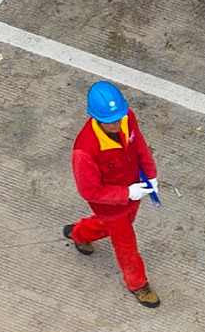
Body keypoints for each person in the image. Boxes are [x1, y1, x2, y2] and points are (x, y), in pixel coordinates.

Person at [65, 81, 162, 308]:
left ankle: (80, 233)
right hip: (111, 206)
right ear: (97, 118)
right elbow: (89, 190)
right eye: (111, 122)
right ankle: (138, 284)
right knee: (126, 244)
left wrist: (150, 174)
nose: (118, 124)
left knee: (121, 224)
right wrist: (127, 192)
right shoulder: (85, 151)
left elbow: (139, 146)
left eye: (119, 118)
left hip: (133, 192)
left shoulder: (126, 117)